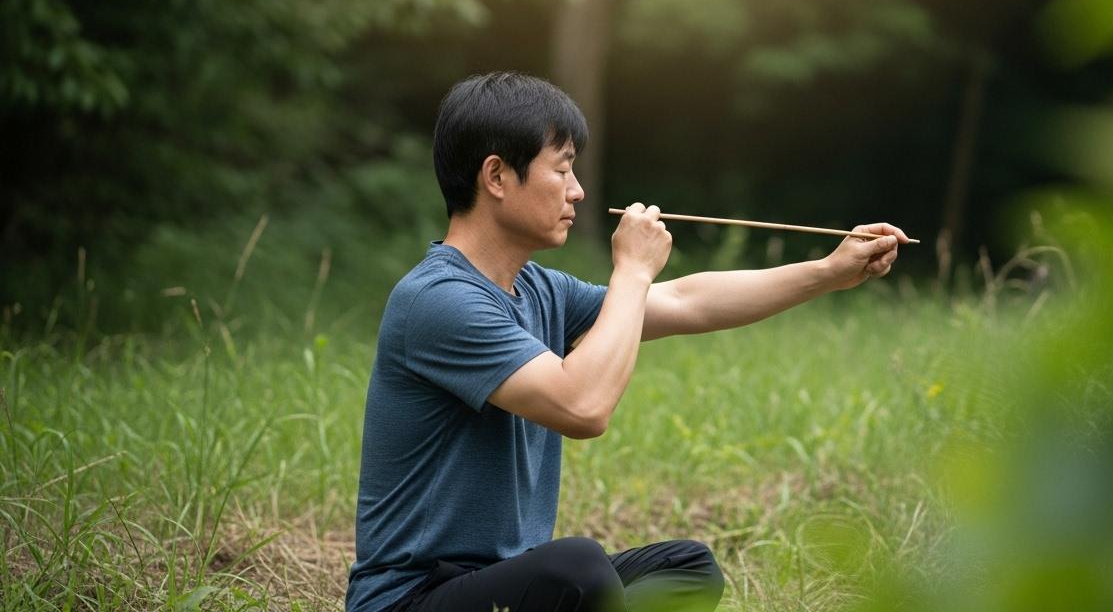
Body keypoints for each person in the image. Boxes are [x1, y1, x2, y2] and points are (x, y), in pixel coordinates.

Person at [346, 72, 908, 612]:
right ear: (496, 177)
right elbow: (582, 406)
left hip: (504, 587)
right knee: (577, 569)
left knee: (686, 568)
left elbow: (685, 301)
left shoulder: (538, 288)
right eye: (562, 169)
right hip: (411, 599)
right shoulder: (439, 298)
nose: (578, 190)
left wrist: (830, 272)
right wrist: (632, 272)